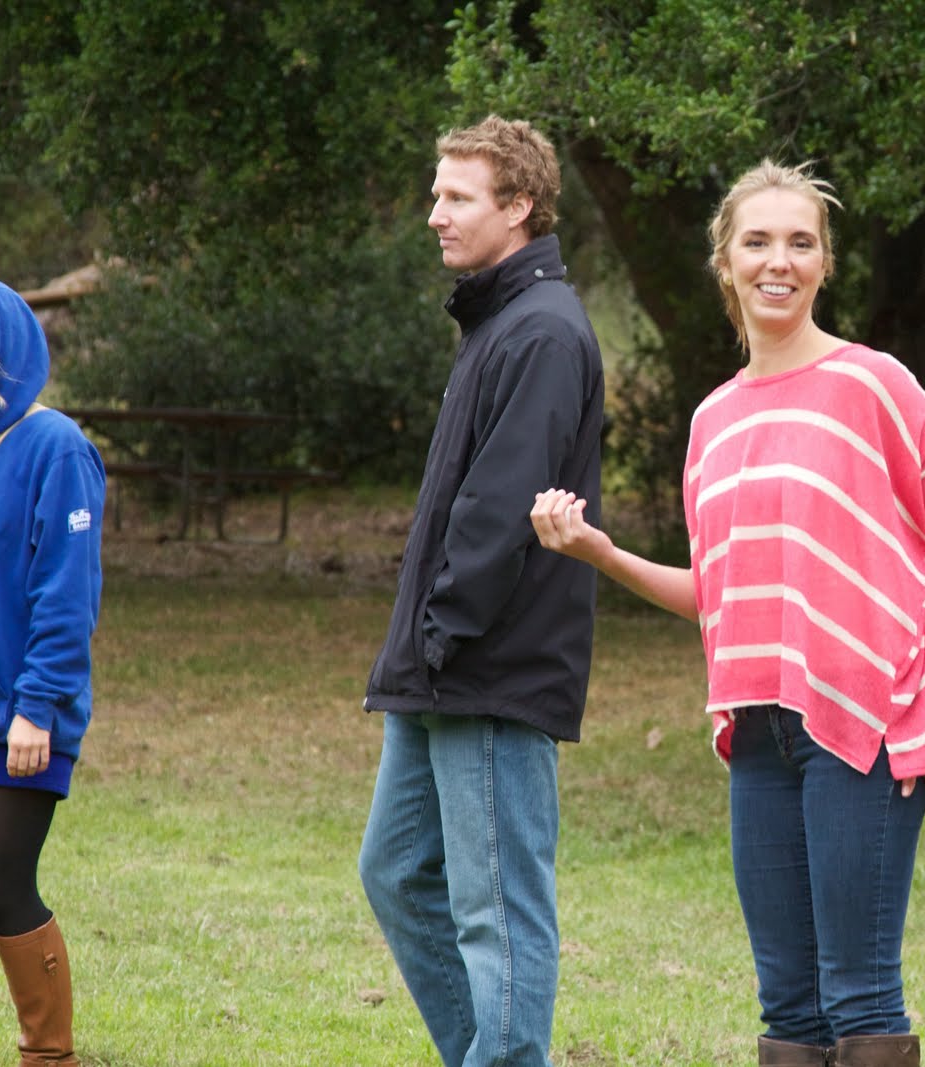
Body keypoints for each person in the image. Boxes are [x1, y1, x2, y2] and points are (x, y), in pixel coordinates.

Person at [531, 161, 925, 1067]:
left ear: (824, 265)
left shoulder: (875, 385)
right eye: (757, 242)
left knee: (859, 993)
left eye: (800, 243)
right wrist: (601, 553)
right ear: (726, 262)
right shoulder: (712, 421)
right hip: (755, 732)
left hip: (864, 727)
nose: (778, 261)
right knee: (788, 1005)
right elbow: (722, 594)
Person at [358, 117, 604, 1067]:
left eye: (457, 196)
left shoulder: (542, 331)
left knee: (498, 908)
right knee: (396, 871)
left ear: (520, 206)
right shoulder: (499, 321)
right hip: (440, 667)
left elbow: (502, 511)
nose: (435, 214)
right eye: (437, 194)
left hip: (488, 667)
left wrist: (441, 633)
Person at [0, 273, 104, 1066]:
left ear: (0, 348)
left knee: (1, 880)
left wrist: (37, 705)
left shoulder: (55, 446)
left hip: (18, 718)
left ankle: (48, 1056)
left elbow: (66, 591)